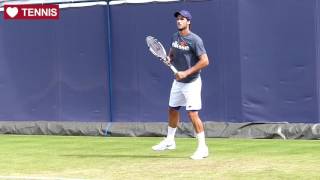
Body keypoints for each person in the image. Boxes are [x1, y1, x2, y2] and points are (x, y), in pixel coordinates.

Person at [152, 10, 210, 160]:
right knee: (172, 110)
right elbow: (172, 54)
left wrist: (186, 73)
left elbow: (205, 61)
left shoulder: (195, 40)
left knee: (192, 114)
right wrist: (169, 59)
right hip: (178, 82)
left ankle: (203, 148)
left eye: (182, 19)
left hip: (192, 82)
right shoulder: (174, 37)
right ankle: (170, 141)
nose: (179, 21)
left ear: (188, 22)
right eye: (178, 19)